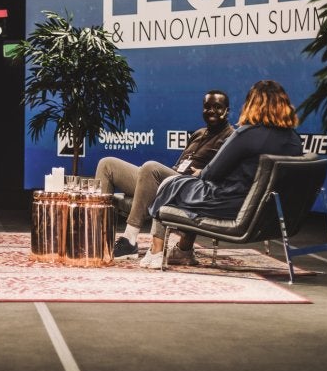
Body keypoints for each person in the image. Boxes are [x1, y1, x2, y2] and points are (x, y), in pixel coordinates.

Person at [142, 80, 303, 268]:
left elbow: (212, 173)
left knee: (171, 183)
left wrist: (199, 173)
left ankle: (156, 252)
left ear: (252, 104)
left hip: (230, 205)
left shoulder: (247, 135)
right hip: (271, 213)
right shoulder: (294, 140)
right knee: (181, 185)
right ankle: (183, 251)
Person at [96, 90, 233, 260]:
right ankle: (96, 237)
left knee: (150, 167)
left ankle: (130, 240)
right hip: (169, 179)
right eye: (207, 107)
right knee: (107, 164)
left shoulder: (230, 138)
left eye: (217, 107)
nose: (211, 110)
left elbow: (223, 173)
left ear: (227, 110)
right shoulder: (198, 133)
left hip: (187, 188)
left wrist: (202, 173)